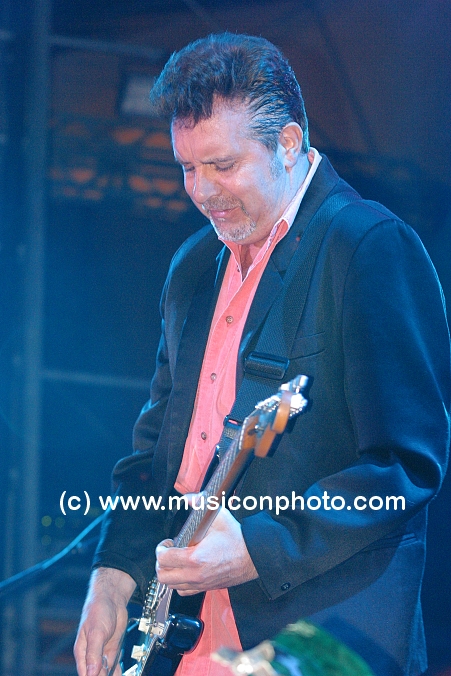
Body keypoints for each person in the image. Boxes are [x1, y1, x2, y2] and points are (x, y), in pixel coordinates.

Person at [74, 33, 450, 676]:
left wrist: (259, 548)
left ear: (288, 142)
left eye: (223, 165)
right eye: (188, 167)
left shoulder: (368, 247)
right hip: (187, 633)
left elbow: (405, 468)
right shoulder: (196, 265)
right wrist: (112, 574)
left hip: (321, 637)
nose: (202, 191)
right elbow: (158, 450)